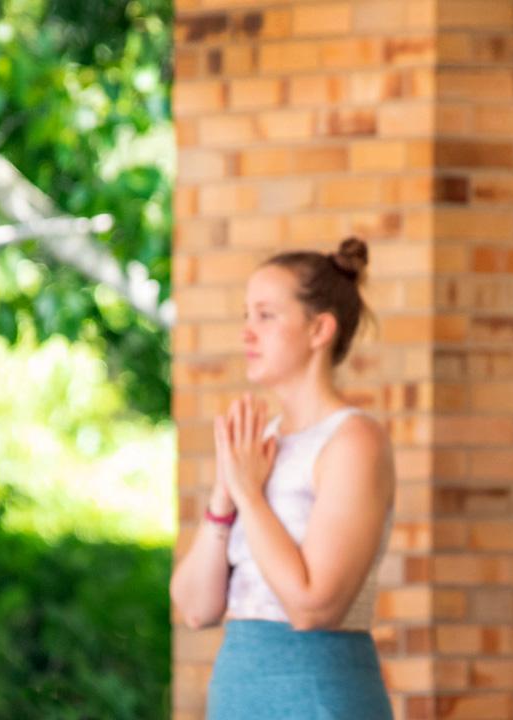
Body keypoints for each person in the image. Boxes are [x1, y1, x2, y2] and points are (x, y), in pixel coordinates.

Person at [169, 237, 395, 719]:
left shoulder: (354, 440)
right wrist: (224, 496)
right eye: (246, 316)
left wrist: (249, 494)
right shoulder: (259, 444)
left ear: (320, 329)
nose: (247, 333)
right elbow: (194, 607)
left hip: (318, 695)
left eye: (266, 316)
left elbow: (315, 608)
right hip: (238, 692)